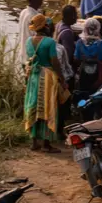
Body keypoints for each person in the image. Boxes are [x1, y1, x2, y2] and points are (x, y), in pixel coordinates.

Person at [24, 14, 68, 152]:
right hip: (47, 77)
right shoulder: (49, 42)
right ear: (45, 26)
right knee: (48, 106)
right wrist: (62, 79)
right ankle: (46, 143)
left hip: (33, 77)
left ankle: (34, 141)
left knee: (33, 105)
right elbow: (54, 62)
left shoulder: (28, 41)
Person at [73, 17, 102, 99]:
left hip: (83, 76)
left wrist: (86, 59)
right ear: (98, 29)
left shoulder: (79, 43)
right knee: (98, 96)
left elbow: (76, 59)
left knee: (84, 96)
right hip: (98, 77)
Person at [55, 4, 78, 69]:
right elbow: (68, 55)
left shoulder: (59, 24)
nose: (77, 17)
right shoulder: (67, 33)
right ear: (71, 16)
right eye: (75, 15)